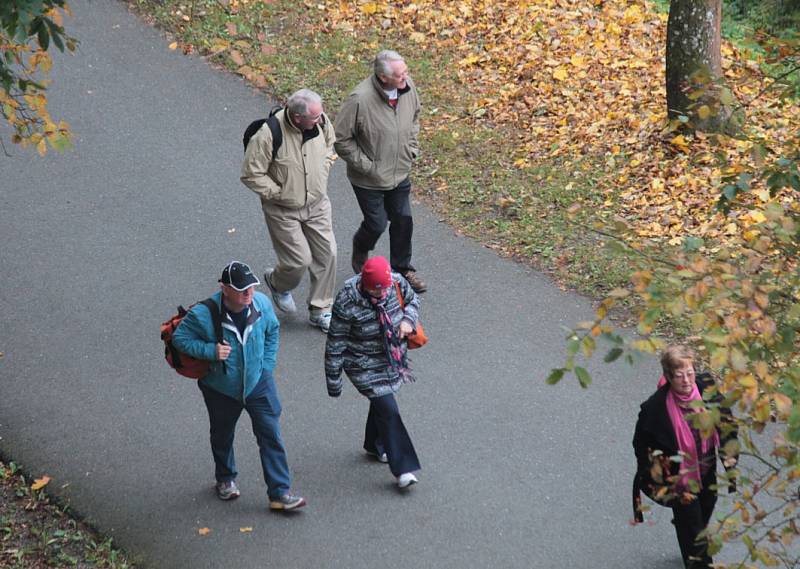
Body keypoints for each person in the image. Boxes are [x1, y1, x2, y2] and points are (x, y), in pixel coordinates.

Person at [172, 261, 306, 510]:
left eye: (252, 287)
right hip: (220, 389)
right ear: (225, 289)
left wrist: (267, 365)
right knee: (222, 434)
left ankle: (280, 493)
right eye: (242, 289)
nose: (249, 294)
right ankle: (225, 479)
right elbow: (180, 338)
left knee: (271, 435)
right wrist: (210, 351)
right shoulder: (204, 314)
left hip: (258, 383)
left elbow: (273, 331)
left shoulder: (262, 304)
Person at [632, 345, 738, 568]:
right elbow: (641, 444)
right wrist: (657, 473)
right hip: (679, 478)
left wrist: (728, 455)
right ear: (668, 376)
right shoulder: (655, 409)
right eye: (679, 376)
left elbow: (726, 423)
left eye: (689, 373)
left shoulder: (706, 389)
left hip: (705, 466)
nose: (687, 380)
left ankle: (686, 528)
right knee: (695, 532)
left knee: (707, 504)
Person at [241, 88, 338, 332]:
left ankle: (321, 309)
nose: (321, 119)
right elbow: (251, 174)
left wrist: (324, 169)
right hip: (283, 210)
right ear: (297, 118)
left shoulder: (321, 122)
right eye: (314, 117)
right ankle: (278, 283)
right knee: (299, 260)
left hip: (317, 204)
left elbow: (330, 145)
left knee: (328, 254)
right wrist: (280, 193)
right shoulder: (268, 135)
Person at [333, 50, 427, 293]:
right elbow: (341, 139)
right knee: (376, 224)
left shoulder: (407, 86)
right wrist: (367, 166)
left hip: (399, 171)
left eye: (406, 71)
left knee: (403, 220)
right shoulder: (359, 100)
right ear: (383, 78)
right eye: (400, 74)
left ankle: (403, 269)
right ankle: (361, 246)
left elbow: (415, 115)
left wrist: (411, 147)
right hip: (369, 180)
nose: (406, 77)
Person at [325, 256, 422, 488]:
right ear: (364, 285)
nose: (381, 295)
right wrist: (334, 380)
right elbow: (336, 341)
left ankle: (375, 444)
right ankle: (404, 469)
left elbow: (412, 301)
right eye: (375, 291)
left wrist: (408, 320)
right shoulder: (347, 300)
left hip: (390, 357)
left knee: (382, 403)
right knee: (388, 408)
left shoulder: (396, 282)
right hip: (362, 363)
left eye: (384, 290)